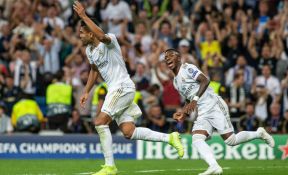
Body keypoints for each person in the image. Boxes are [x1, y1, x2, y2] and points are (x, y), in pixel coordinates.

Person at [73, 2, 183, 175]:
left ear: (90, 32)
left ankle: (110, 166)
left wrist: (84, 16)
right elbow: (94, 70)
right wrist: (87, 91)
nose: (79, 36)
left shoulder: (109, 40)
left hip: (122, 87)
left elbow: (101, 37)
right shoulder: (89, 50)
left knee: (100, 122)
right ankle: (170, 138)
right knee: (128, 132)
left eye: (81, 32)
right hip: (115, 90)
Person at [164, 49, 274, 175]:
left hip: (215, 105)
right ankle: (214, 167)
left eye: (171, 55)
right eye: (165, 57)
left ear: (179, 58)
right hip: (203, 112)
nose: (167, 58)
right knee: (197, 139)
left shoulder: (187, 68)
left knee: (230, 141)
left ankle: (259, 133)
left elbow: (205, 80)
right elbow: (189, 98)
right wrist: (184, 112)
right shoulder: (175, 82)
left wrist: (194, 99)